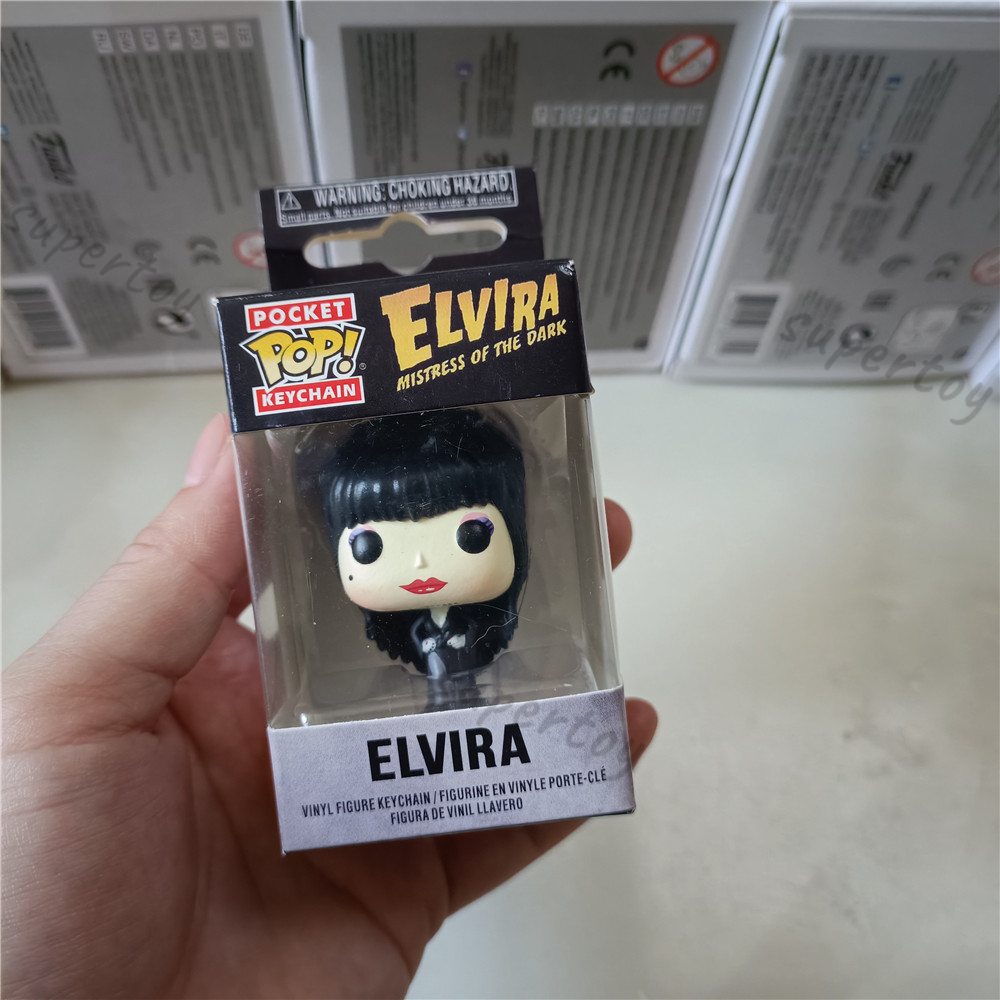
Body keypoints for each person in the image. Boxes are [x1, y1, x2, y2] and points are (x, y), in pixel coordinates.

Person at [1, 414, 658, 999]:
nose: (421, 563)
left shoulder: (481, 635)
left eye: (470, 534)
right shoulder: (402, 637)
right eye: (371, 546)